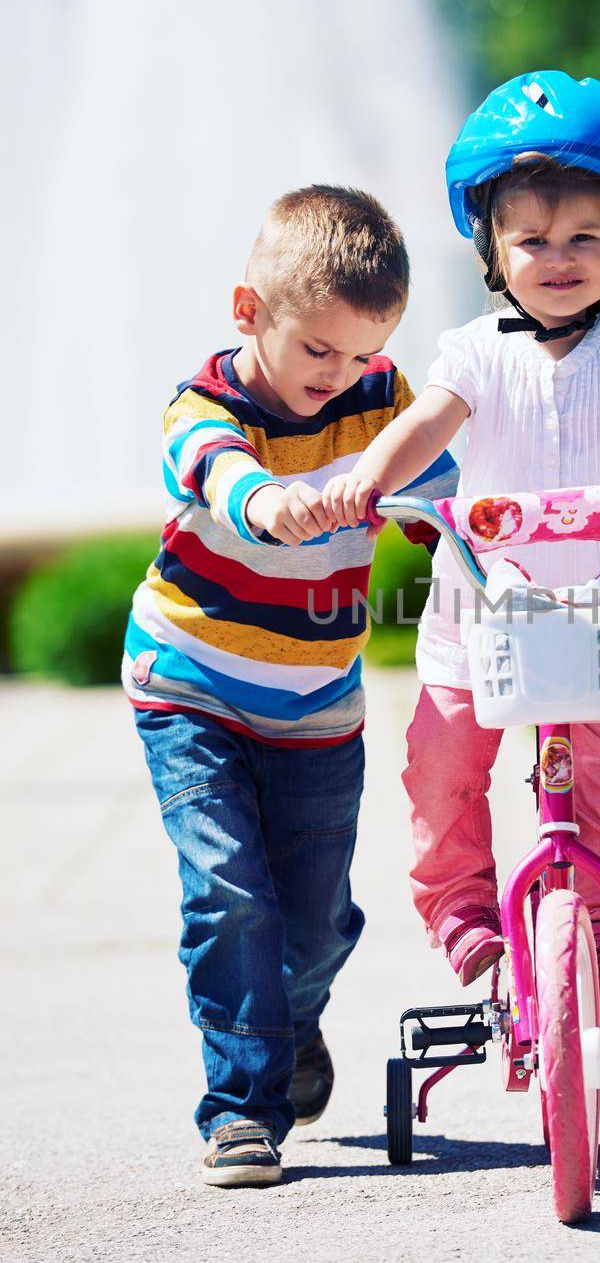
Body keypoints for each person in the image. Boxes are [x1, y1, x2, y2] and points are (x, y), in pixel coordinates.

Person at [322, 71, 600, 1014]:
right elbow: (424, 429)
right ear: (491, 250)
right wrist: (368, 477)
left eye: (584, 239)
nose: (558, 257)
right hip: (482, 611)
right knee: (442, 767)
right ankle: (465, 918)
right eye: (532, 240)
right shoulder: (474, 354)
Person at [124, 185, 456, 1186]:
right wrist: (272, 502)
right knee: (232, 894)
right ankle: (240, 1107)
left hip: (317, 702)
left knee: (313, 922)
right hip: (194, 682)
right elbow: (222, 475)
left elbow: (438, 487)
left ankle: (287, 1020)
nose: (341, 376)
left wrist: (452, 516)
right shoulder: (205, 405)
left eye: (361, 353)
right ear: (247, 311)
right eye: (318, 351)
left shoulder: (381, 395)